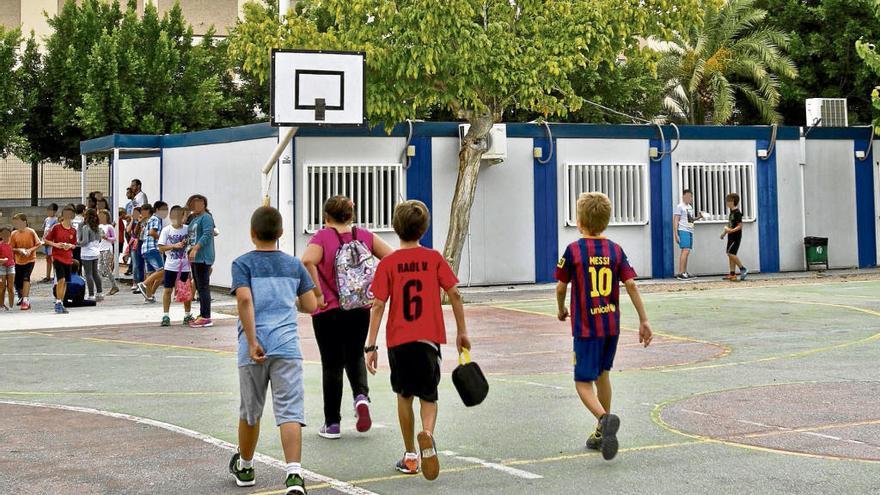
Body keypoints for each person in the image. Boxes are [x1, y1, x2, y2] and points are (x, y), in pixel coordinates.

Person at [364, 200, 471, 481]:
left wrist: (370, 345)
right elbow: (456, 295)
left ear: (395, 228)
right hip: (428, 340)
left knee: (404, 395)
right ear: (424, 228)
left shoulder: (388, 263)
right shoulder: (434, 258)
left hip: (399, 341)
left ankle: (411, 454)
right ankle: (428, 435)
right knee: (429, 394)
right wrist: (462, 331)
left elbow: (377, 305)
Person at [555, 192, 653, 462]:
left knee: (582, 382)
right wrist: (644, 319)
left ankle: (604, 419)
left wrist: (561, 308)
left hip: (587, 328)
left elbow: (562, 285)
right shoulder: (615, 249)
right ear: (606, 221)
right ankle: (601, 434)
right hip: (611, 325)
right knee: (603, 375)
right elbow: (631, 284)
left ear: (579, 221)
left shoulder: (574, 250)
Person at [228, 206, 317, 495]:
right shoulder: (294, 265)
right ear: (280, 233)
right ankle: (293, 473)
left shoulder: (242, 264)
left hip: (253, 347)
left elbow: (244, 301)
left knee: (250, 411)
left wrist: (253, 341)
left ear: (252, 234)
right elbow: (311, 305)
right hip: (287, 347)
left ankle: (245, 465)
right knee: (290, 410)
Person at [302, 195, 393, 439]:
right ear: (351, 215)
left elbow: (307, 261)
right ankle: (361, 398)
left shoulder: (322, 237)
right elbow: (391, 258)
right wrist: (376, 288)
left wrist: (318, 292)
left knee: (331, 364)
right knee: (354, 355)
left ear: (326, 217)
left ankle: (332, 423)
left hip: (328, 310)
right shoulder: (364, 236)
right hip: (359, 308)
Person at [157, 206, 193, 326]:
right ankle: (166, 315)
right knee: (168, 290)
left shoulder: (188, 229)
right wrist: (174, 246)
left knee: (185, 290)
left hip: (184, 265)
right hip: (171, 265)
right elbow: (161, 247)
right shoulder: (166, 230)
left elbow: (194, 241)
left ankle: (187, 315)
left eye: (183, 215)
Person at [187, 194, 216, 328]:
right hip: (194, 257)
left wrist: (196, 248)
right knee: (199, 286)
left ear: (204, 205)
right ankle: (202, 313)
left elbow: (207, 234)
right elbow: (192, 236)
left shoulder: (206, 218)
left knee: (203, 286)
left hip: (203, 256)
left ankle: (206, 316)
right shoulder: (194, 219)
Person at [44, 206, 78, 314]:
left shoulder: (73, 230)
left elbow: (75, 244)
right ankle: (58, 302)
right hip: (57, 256)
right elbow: (46, 240)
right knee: (61, 279)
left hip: (68, 257)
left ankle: (61, 302)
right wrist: (56, 245)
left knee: (66, 281)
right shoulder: (56, 227)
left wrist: (70, 246)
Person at [10, 213, 41, 310]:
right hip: (18, 261)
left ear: (24, 222)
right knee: (18, 281)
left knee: (26, 278)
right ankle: (21, 296)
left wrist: (30, 250)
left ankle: (25, 300)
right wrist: (19, 250)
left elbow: (38, 244)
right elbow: (11, 248)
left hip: (30, 259)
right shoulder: (13, 234)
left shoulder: (31, 232)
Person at [136, 203, 163, 303]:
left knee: (151, 273)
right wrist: (162, 240)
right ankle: (143, 284)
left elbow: (142, 236)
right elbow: (152, 233)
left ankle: (149, 296)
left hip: (145, 249)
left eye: (143, 211)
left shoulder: (147, 222)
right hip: (152, 248)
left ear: (148, 211)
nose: (142, 213)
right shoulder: (155, 219)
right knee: (163, 270)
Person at [673, 189, 703, 280]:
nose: (689, 198)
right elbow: (675, 220)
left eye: (690, 196)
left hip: (690, 230)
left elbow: (691, 220)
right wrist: (676, 234)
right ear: (683, 196)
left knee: (687, 251)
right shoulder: (679, 207)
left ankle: (684, 272)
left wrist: (699, 217)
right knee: (685, 251)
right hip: (683, 230)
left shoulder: (690, 207)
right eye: (687, 196)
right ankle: (681, 273)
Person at [78, 209, 104, 301]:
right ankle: (100, 293)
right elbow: (100, 240)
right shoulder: (98, 227)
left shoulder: (86, 227)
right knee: (95, 273)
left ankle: (91, 294)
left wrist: (77, 243)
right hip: (96, 251)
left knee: (88, 274)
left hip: (87, 252)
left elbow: (84, 241)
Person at [721, 192, 748, 281]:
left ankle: (742, 268)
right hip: (730, 236)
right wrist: (724, 233)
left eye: (728, 201)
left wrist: (731, 231)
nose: (727, 203)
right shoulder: (731, 212)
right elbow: (730, 225)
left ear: (733, 201)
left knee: (730, 253)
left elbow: (740, 226)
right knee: (731, 254)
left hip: (736, 237)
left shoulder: (737, 212)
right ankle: (732, 274)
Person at [98, 209, 120, 296]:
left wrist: (106, 237)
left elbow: (114, 239)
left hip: (107, 249)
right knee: (99, 269)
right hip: (99, 249)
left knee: (107, 268)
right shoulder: (98, 226)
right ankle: (100, 289)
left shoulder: (109, 227)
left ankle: (114, 286)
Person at [41, 203, 59, 283]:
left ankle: (55, 276)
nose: (49, 212)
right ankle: (47, 276)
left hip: (52, 242)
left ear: (55, 211)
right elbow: (45, 229)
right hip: (46, 241)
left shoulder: (56, 220)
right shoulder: (46, 219)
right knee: (47, 258)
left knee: (53, 258)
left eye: (51, 210)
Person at [128, 206, 144, 292]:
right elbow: (128, 230)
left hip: (141, 243)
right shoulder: (133, 222)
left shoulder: (143, 222)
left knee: (141, 264)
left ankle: (142, 282)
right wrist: (131, 220)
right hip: (134, 244)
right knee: (135, 264)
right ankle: (135, 282)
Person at [0, 227, 15, 310]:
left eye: (7, 234)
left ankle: (11, 305)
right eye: (3, 234)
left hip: (11, 266)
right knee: (2, 287)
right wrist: (2, 260)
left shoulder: (12, 244)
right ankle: (1, 305)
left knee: (11, 287)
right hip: (1, 267)